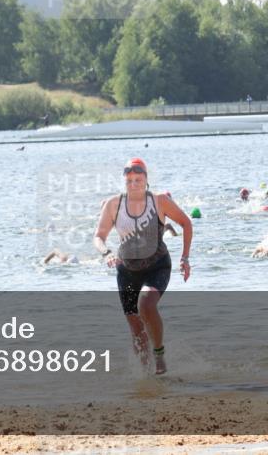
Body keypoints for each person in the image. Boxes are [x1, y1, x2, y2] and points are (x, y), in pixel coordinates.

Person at [94, 158, 193, 375]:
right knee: (136, 328)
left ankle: (159, 355)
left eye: (138, 179)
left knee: (146, 305)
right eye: (129, 180)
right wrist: (107, 253)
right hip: (127, 271)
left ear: (146, 180)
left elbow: (186, 223)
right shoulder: (113, 204)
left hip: (157, 265)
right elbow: (99, 236)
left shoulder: (159, 201)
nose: (133, 184)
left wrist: (184, 258)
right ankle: (146, 376)